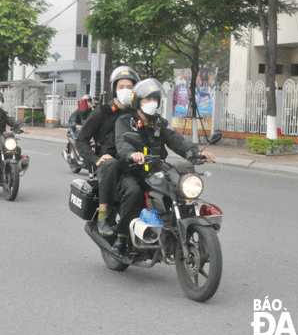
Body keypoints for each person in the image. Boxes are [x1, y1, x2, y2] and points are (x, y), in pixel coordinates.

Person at [114, 78, 216, 252]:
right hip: (133, 170)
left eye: (154, 99)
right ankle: (121, 237)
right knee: (133, 192)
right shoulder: (125, 121)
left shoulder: (160, 123)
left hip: (157, 168)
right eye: (147, 100)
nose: (152, 103)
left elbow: (177, 141)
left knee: (180, 187)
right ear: (138, 102)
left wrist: (196, 153)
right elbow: (122, 144)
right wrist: (132, 154)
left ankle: (172, 226)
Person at [75, 66, 140, 238]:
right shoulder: (102, 112)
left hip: (132, 162)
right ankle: (103, 217)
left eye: (130, 86)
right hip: (109, 164)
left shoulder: (138, 113)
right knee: (110, 163)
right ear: (114, 90)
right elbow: (81, 140)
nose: (126, 90)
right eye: (121, 87)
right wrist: (95, 159)